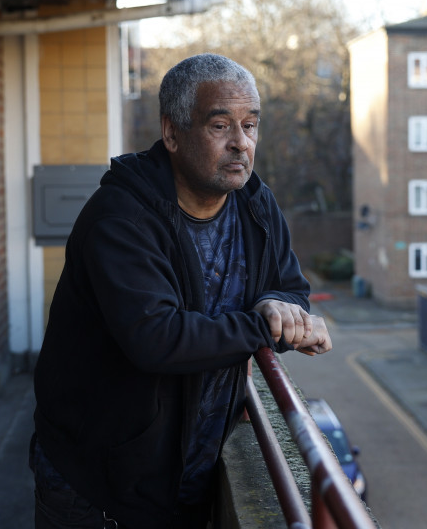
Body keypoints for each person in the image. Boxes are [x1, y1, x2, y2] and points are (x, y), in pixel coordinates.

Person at [30, 53, 332, 529]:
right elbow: (157, 338)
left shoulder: (255, 204)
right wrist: (266, 326)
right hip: (96, 485)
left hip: (186, 475)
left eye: (250, 126)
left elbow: (290, 287)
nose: (240, 144)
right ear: (172, 133)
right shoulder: (121, 219)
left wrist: (280, 304)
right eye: (220, 126)